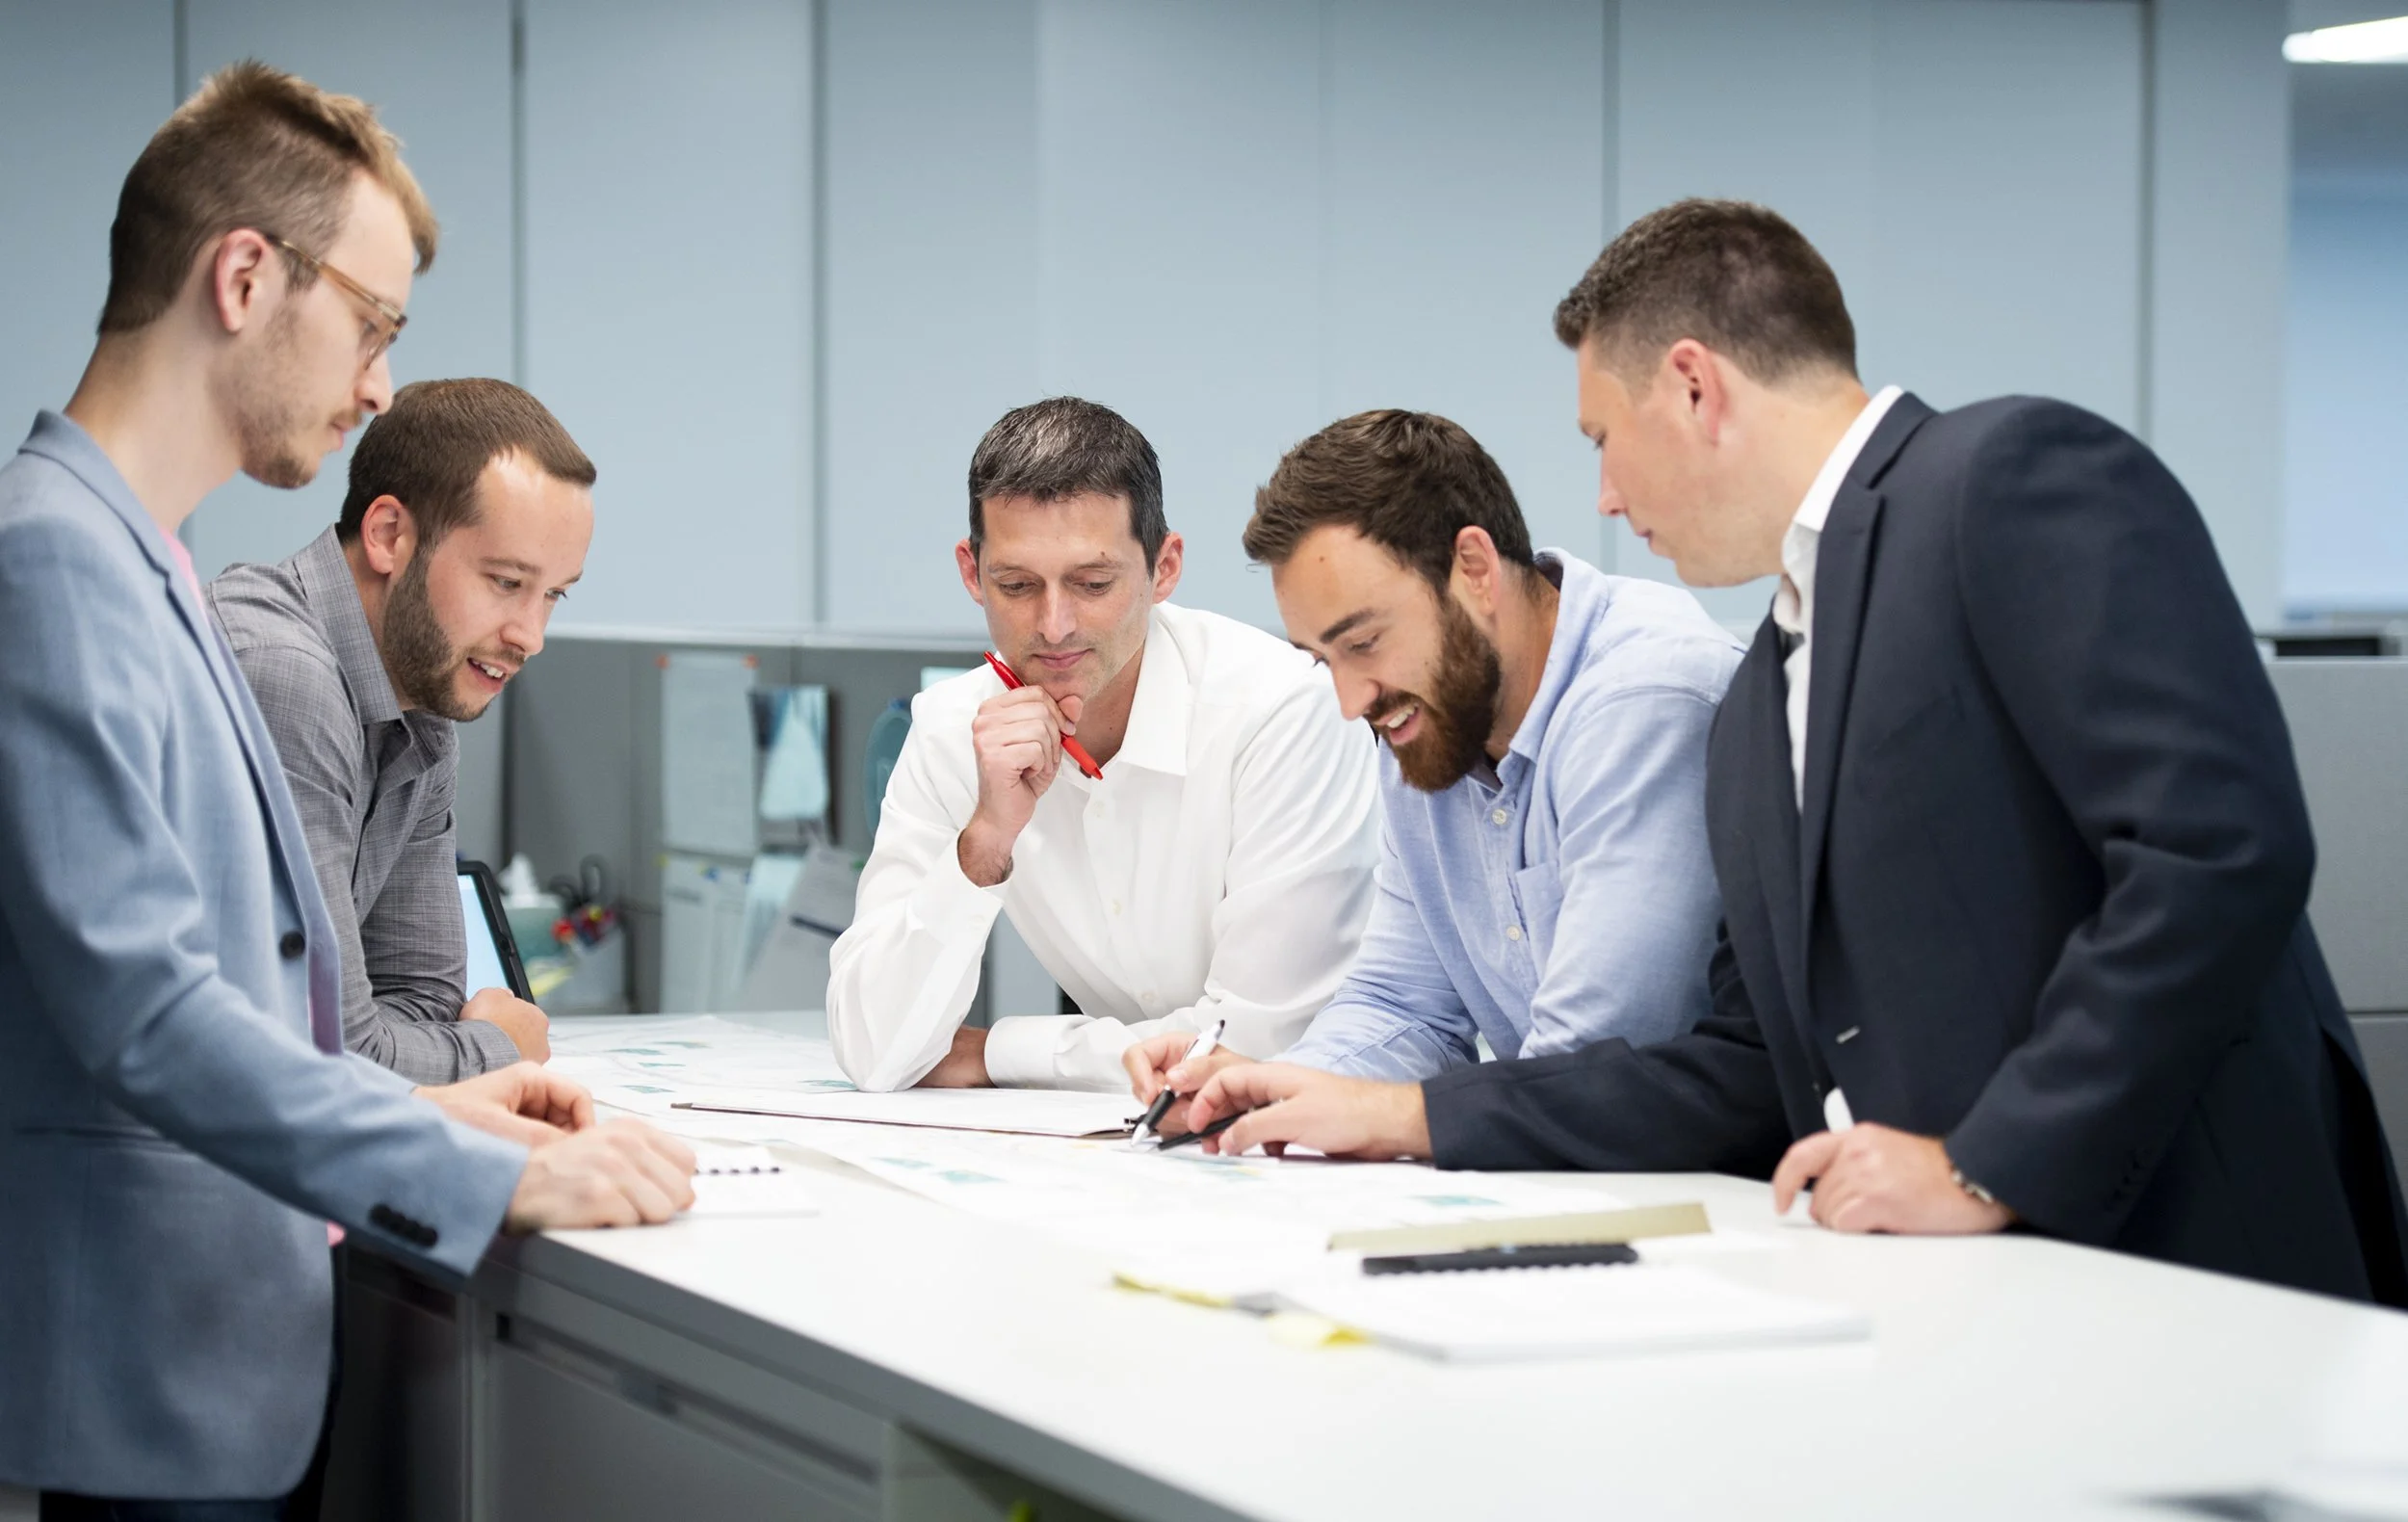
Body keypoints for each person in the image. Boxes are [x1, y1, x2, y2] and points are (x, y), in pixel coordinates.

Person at [1182, 198, 2408, 1305]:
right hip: (1982, 1295)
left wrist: (1992, 1157)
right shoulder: (1765, 681)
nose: (1602, 497)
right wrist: (1392, 1113)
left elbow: (2215, 849)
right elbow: (1753, 1058)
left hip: (2200, 1266)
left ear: (1694, 385)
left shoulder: (2009, 477)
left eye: (1602, 436)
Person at [0, 61, 696, 1517]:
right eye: (372, 323)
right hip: (147, 1376)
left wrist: (480, 1117)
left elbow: (278, 1010)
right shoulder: (56, 562)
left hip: (216, 1371)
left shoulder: (149, 562)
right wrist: (485, 1178)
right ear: (247, 277)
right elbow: (147, 1018)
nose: (378, 379)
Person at [1122, 409, 1741, 1135]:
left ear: (1474, 571)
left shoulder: (1644, 699)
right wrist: (1271, 1089)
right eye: (1325, 660)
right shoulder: (1431, 721)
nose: (1352, 703)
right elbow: (1399, 1005)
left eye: (1365, 642)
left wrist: (1383, 1118)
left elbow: (1595, 1059)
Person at [825, 397, 1379, 1092]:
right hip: (1137, 1145)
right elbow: (873, 1048)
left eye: (1092, 584)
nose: (1054, 625)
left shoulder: (1282, 708)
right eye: (1017, 585)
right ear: (972, 573)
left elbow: (1259, 1044)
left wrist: (999, 1053)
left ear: (1165, 567)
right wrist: (985, 844)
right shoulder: (950, 729)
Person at [210, 378, 590, 1080]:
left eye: (554, 595)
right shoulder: (281, 672)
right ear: (389, 535)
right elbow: (329, 1055)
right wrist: (497, 1048)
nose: (531, 636)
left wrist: (424, 1048)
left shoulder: (419, 703)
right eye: (506, 581)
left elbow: (421, 1001)